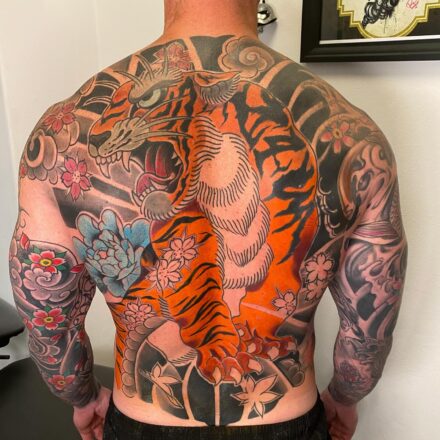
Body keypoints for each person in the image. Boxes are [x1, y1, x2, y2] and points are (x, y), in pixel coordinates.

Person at [8, 0, 408, 439]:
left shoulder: (60, 135)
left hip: (143, 418)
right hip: (285, 417)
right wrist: (345, 398)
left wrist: (83, 399)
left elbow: (50, 325)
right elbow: (367, 333)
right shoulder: (354, 135)